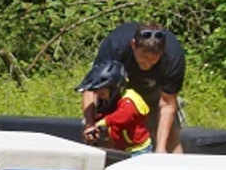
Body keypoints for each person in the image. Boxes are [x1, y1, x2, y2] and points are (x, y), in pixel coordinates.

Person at [83, 21, 185, 153]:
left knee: (170, 138)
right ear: (133, 45)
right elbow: (92, 88)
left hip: (155, 91)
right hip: (116, 89)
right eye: (143, 58)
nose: (147, 64)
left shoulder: (173, 56)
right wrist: (89, 124)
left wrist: (161, 149)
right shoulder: (115, 46)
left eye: (153, 60)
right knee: (107, 133)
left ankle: (175, 169)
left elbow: (167, 105)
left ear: (162, 52)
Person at [75, 60, 152, 154]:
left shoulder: (129, 100)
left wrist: (101, 123)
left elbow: (123, 117)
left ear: (115, 87)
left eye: (102, 91)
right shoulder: (112, 100)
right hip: (123, 149)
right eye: (96, 91)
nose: (98, 94)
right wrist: (93, 126)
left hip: (139, 150)